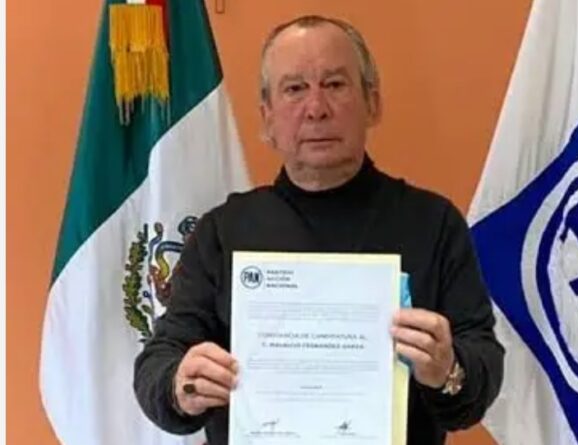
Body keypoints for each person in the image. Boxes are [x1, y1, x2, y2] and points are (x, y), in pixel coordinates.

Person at [134, 15, 504, 445]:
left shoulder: (433, 223)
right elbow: (157, 364)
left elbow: (482, 363)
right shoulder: (223, 232)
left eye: (334, 84)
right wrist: (180, 384)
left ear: (372, 103)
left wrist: (448, 369)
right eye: (294, 89)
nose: (316, 108)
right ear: (267, 117)